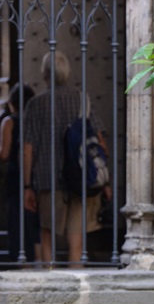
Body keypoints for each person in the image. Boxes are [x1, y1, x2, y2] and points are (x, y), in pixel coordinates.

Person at [23, 51, 109, 266]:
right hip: (80, 177)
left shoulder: (35, 104)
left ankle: (48, 283)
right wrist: (105, 177)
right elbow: (99, 141)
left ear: (44, 74)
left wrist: (27, 185)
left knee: (47, 235)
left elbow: (27, 148)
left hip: (47, 177)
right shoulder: (82, 100)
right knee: (76, 240)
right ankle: (75, 283)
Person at [0, 83, 41, 263]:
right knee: (34, 222)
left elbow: (5, 153)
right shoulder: (36, 120)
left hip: (16, 177)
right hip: (36, 175)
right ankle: (38, 260)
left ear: (12, 103)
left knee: (16, 222)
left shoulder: (9, 122)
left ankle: (21, 260)